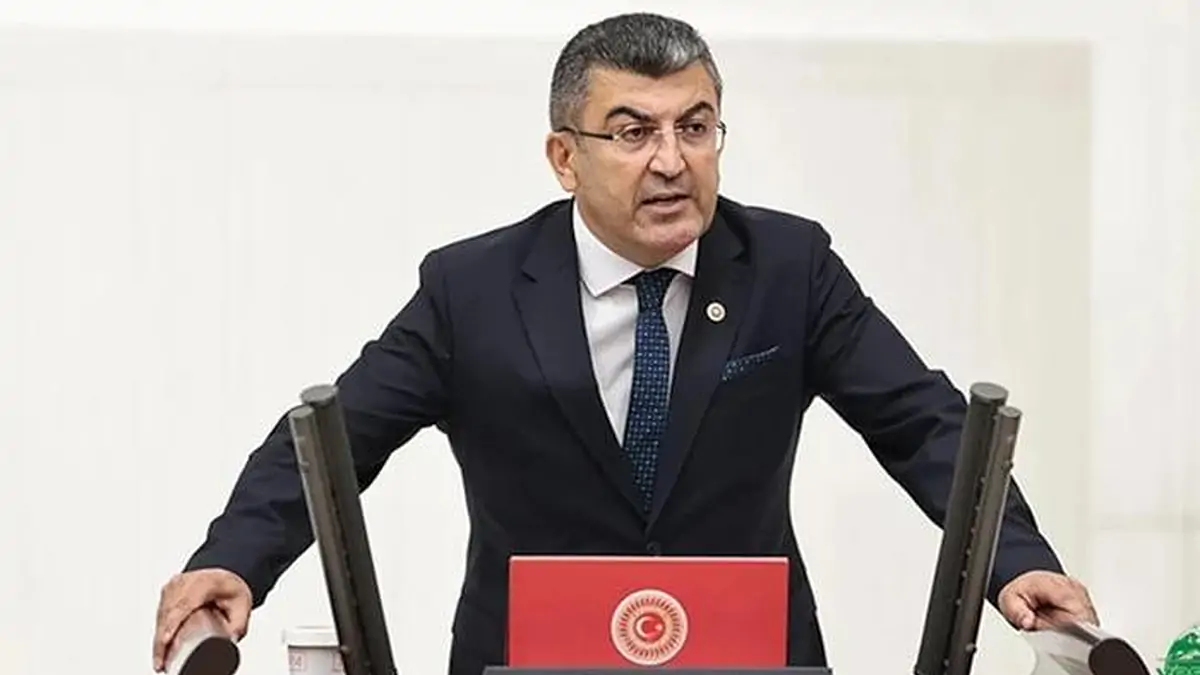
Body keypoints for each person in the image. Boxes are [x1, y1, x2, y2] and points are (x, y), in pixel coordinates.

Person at [152, 12, 1098, 675]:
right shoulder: (471, 289)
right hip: (529, 662)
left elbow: (923, 422)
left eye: (695, 126)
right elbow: (334, 441)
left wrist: (1017, 560)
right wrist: (234, 559)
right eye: (633, 131)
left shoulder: (789, 267)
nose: (671, 159)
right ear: (565, 157)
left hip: (748, 662)